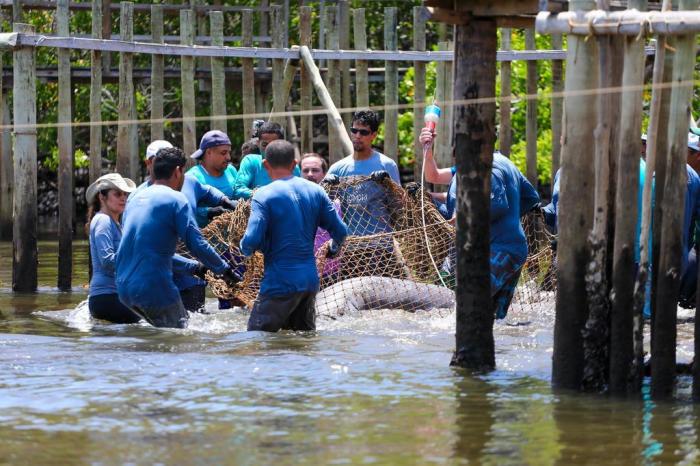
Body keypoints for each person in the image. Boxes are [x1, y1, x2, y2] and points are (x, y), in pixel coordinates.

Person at [116, 147, 240, 328]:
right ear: (178, 171)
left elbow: (149, 251)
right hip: (154, 286)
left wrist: (195, 268)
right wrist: (225, 270)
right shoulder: (176, 199)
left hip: (124, 288)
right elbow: (196, 243)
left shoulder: (134, 199)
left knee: (155, 339)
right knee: (182, 336)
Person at [240, 140, 348, 332]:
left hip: (279, 283)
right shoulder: (317, 191)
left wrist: (245, 250)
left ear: (265, 165)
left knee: (257, 340)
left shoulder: (263, 196)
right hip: (309, 283)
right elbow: (341, 231)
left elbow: (251, 240)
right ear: (294, 164)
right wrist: (333, 248)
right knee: (302, 343)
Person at [444, 153, 540, 319]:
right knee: (494, 319)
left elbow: (497, 204)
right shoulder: (506, 162)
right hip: (515, 250)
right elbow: (531, 198)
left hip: (499, 251)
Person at [86, 173, 140, 324]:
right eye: (117, 194)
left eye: (124, 194)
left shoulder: (116, 223)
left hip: (115, 296)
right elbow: (107, 260)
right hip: (107, 297)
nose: (123, 198)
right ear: (102, 197)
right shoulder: (103, 221)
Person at [234, 122, 301, 199]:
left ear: (282, 143)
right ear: (258, 143)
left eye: (273, 145)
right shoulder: (250, 161)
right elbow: (238, 190)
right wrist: (263, 194)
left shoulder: (292, 166)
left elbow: (298, 193)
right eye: (264, 145)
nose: (269, 150)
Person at [186, 130, 240, 226]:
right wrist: (208, 212)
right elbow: (186, 211)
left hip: (234, 235)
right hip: (205, 237)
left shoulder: (231, 170)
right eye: (223, 153)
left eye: (229, 152)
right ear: (209, 152)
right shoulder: (192, 177)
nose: (228, 157)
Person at [301, 153, 342, 278]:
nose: (310, 174)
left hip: (330, 273)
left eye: (315, 170)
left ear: (324, 174)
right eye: (305, 170)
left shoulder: (336, 204)